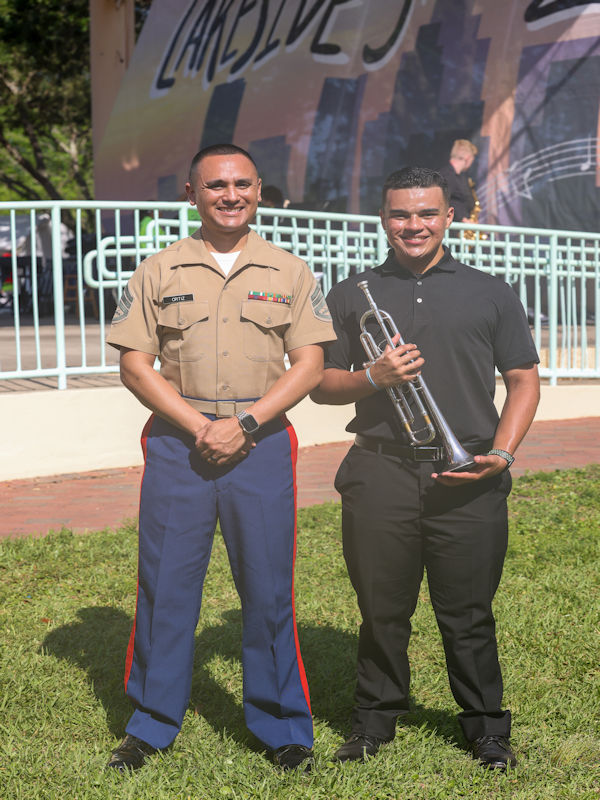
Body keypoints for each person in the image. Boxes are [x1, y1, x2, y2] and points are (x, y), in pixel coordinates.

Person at [105, 143, 336, 774]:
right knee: (166, 585)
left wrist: (245, 423)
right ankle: (151, 723)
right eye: (215, 186)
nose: (229, 195)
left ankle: (282, 723)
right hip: (180, 440)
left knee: (267, 588)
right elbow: (135, 364)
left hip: (259, 441)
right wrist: (200, 425)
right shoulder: (158, 270)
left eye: (241, 184)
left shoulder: (289, 271)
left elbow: (309, 363)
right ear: (191, 194)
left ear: (260, 191)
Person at [310, 166, 540, 770]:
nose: (414, 226)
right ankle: (374, 721)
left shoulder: (490, 290)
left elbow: (522, 380)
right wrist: (373, 377)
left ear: (449, 217)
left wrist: (503, 454)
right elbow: (321, 386)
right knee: (382, 609)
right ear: (384, 219)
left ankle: (487, 730)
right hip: (380, 471)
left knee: (467, 613)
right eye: (401, 215)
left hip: (469, 475)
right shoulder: (351, 292)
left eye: (427, 214)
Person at [438, 139, 478, 222]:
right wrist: (463, 219)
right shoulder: (447, 175)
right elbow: (442, 201)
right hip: (452, 228)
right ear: (468, 158)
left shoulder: (462, 177)